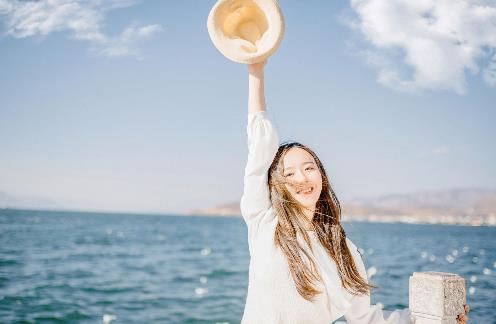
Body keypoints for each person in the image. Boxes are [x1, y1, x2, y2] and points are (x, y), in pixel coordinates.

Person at [240, 59, 470, 323]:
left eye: (309, 168)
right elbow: (259, 149)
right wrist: (256, 71)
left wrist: (437, 318)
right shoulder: (264, 223)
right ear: (276, 184)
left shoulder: (342, 249)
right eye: (289, 173)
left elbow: (366, 319)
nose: (301, 177)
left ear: (322, 177)